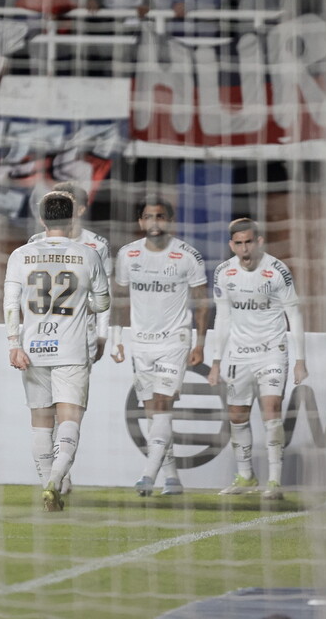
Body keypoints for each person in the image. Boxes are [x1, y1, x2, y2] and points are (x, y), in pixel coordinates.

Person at [4, 191, 110, 512]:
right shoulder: (88, 254)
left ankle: (46, 485)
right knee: (69, 419)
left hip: (33, 349)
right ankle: (55, 480)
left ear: (41, 219)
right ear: (73, 218)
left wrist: (14, 344)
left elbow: (11, 304)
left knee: (40, 422)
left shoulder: (21, 254)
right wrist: (83, 303)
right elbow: (103, 303)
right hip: (72, 349)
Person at [110, 197, 208, 496]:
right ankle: (172, 479)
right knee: (153, 413)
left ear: (170, 221)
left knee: (163, 404)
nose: (154, 222)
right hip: (141, 344)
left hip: (174, 341)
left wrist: (200, 343)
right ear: (141, 222)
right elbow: (120, 300)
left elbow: (202, 302)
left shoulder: (188, 255)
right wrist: (117, 338)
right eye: (149, 217)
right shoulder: (128, 255)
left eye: (160, 216)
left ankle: (147, 477)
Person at [206, 217, 307, 501]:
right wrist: (216, 361)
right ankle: (246, 475)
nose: (244, 249)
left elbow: (294, 314)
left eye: (249, 242)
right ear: (231, 245)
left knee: (271, 411)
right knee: (237, 415)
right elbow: (222, 318)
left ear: (259, 242)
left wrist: (300, 360)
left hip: (272, 351)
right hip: (239, 354)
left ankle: (274, 481)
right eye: (238, 244)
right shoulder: (224, 272)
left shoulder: (277, 271)